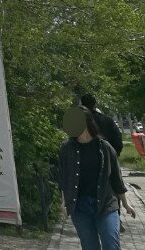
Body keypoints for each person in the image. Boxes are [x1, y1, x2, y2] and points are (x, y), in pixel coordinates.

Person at [59, 105, 136, 250]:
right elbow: (64, 178)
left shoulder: (104, 147)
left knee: (111, 245)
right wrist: (64, 201)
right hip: (80, 207)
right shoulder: (66, 148)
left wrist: (126, 204)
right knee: (90, 246)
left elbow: (116, 179)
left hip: (106, 204)